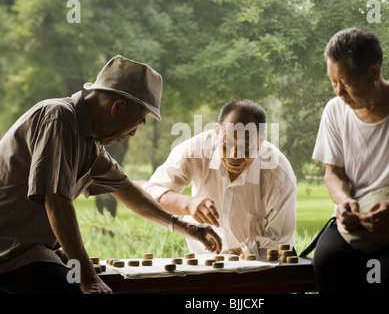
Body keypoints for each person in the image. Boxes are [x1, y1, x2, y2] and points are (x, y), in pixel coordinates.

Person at [0, 55, 222, 294]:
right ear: (118, 107)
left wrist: (187, 228)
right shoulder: (59, 118)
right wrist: (87, 276)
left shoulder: (90, 145)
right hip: (10, 255)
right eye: (138, 122)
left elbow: (127, 190)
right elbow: (56, 202)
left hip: (30, 254)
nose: (134, 133)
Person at [311, 28, 389, 294]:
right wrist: (344, 201)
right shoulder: (334, 111)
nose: (338, 92)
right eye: (332, 81)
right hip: (357, 217)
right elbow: (333, 172)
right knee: (326, 260)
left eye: (345, 82)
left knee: (385, 275)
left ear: (373, 73)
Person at [143, 100, 297, 258]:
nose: (234, 155)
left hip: (261, 266)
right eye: (226, 144)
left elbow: (280, 242)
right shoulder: (196, 150)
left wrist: (231, 254)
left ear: (260, 141)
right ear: (217, 132)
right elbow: (152, 193)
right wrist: (187, 204)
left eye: (245, 147)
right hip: (204, 262)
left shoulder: (279, 174)